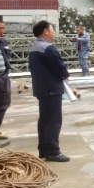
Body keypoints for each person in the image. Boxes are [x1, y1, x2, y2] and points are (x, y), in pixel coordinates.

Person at [29, 21, 70, 162]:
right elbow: (59, 66)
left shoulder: (35, 47)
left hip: (42, 88)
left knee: (44, 120)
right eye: (52, 30)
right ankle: (53, 151)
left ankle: (45, 150)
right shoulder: (47, 48)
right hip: (52, 89)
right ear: (45, 31)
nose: (54, 33)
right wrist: (65, 74)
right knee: (53, 121)